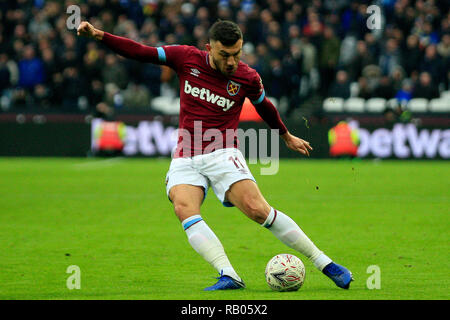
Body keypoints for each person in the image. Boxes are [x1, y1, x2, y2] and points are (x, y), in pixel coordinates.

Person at [77, 20, 353, 291]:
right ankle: (229, 275)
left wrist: (285, 135)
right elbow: (140, 51)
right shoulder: (185, 58)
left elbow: (264, 107)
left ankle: (325, 263)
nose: (231, 62)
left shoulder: (247, 77)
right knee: (183, 208)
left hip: (222, 152)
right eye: (224, 55)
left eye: (237, 54)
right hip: (185, 153)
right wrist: (100, 35)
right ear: (209, 48)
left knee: (259, 211)